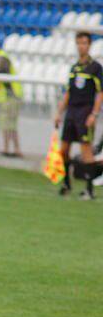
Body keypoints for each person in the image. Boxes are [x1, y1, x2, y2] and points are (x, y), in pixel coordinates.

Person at [53, 31, 102, 199]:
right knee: (64, 149)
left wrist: (94, 114)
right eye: (79, 43)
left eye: (85, 43)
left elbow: (100, 93)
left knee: (86, 150)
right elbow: (68, 92)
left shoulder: (95, 67)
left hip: (85, 112)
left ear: (89, 45)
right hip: (71, 112)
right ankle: (66, 182)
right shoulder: (74, 67)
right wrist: (59, 112)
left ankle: (89, 189)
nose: (82, 46)